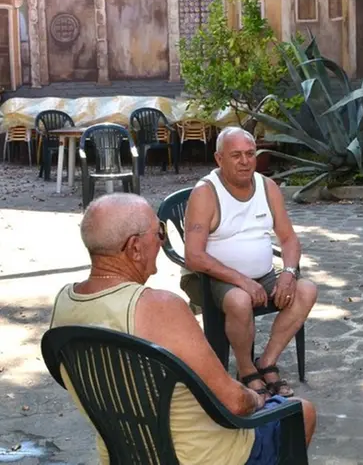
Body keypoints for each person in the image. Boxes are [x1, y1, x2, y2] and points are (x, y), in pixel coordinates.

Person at [49, 193, 317, 464]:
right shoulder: (159, 308)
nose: (161, 241)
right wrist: (257, 398)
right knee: (301, 411)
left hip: (124, 454)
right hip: (202, 457)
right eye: (159, 231)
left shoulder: (64, 304)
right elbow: (234, 402)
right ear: (134, 247)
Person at [182, 126, 317, 398]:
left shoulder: (267, 187)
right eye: (236, 156)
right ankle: (245, 370)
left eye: (250, 154)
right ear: (219, 159)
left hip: (264, 273)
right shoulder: (206, 193)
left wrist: (289, 273)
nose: (245, 161)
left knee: (307, 289)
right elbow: (193, 256)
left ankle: (266, 362)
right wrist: (242, 281)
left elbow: (289, 239)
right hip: (213, 278)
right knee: (240, 301)